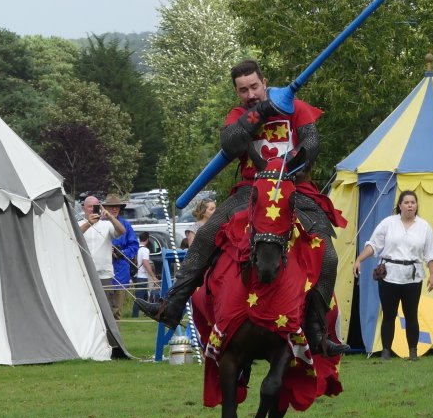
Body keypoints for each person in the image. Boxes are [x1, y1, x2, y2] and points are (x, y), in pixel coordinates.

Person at [135, 60, 348, 357]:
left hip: (295, 190)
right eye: (243, 90)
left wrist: (290, 165)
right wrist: (260, 111)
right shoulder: (239, 115)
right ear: (237, 93)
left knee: (327, 255)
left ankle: (316, 331)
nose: (249, 94)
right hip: (251, 191)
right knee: (208, 233)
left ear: (265, 82)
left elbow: (312, 144)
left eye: (254, 87)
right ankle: (169, 307)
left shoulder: (296, 107)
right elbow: (231, 142)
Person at [352, 190, 433, 361]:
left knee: (411, 314)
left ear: (416, 206)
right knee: (389, 314)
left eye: (413, 202)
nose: (409, 205)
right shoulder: (388, 223)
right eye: (406, 202)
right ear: (399, 205)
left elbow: (430, 254)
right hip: (389, 275)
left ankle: (413, 352)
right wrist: (359, 259)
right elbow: (374, 245)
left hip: (412, 276)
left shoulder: (424, 227)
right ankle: (386, 351)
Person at [79, 194, 125, 312]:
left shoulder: (107, 224)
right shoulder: (78, 224)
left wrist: (110, 217)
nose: (93, 209)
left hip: (104, 275)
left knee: (106, 309)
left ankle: (108, 331)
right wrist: (89, 223)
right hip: (83, 274)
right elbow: (74, 235)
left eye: (96, 206)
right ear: (83, 208)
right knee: (85, 308)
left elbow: (121, 231)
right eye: (90, 207)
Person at [104, 194, 138, 321]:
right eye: (111, 207)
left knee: (117, 311)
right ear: (105, 208)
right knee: (103, 310)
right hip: (102, 272)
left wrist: (121, 253)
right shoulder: (99, 223)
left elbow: (134, 246)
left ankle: (115, 339)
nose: (114, 209)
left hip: (120, 273)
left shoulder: (126, 225)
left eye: (116, 207)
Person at [131, 231, 159, 317]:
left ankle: (146, 313)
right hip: (142, 276)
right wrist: (153, 277)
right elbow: (146, 263)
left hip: (136, 275)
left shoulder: (136, 248)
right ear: (147, 240)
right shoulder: (145, 250)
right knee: (139, 298)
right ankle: (134, 315)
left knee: (145, 296)